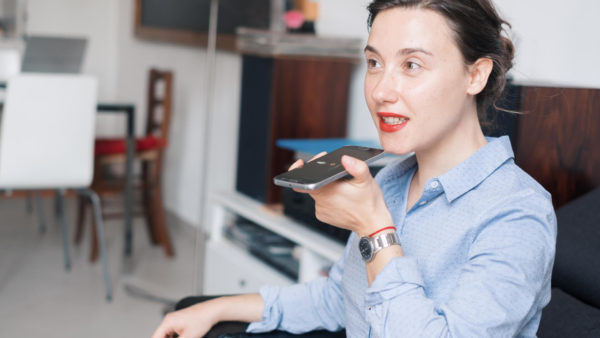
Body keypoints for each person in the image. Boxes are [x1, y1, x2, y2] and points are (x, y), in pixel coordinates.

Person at [152, 0, 556, 337]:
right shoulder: (395, 178)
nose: (380, 90)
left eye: (412, 65)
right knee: (194, 310)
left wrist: (375, 229)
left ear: (476, 75)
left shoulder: (517, 213)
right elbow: (340, 301)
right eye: (374, 62)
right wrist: (217, 307)